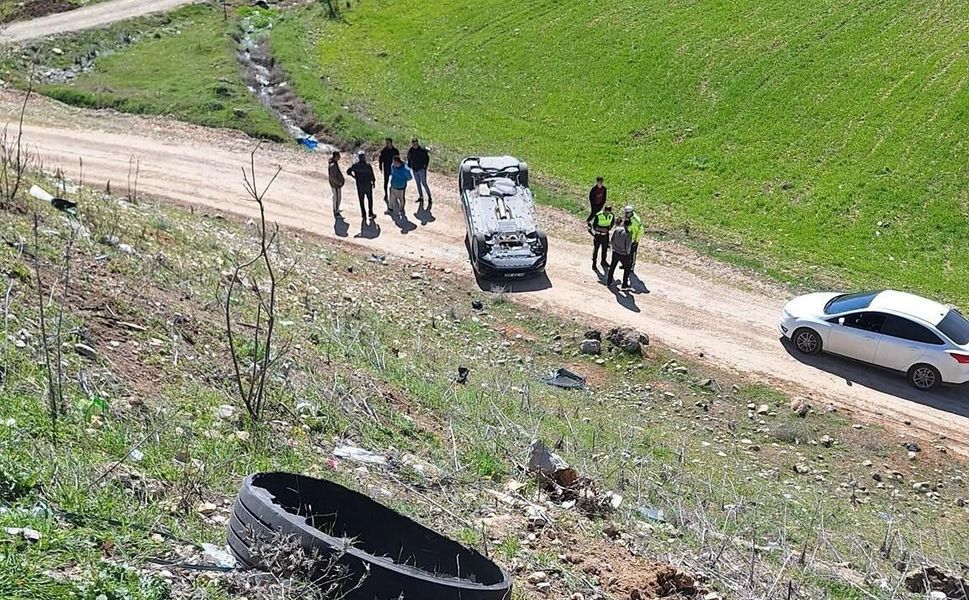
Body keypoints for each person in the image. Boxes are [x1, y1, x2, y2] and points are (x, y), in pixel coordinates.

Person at [346, 150, 377, 221]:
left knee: (361, 200)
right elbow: (372, 175)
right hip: (367, 185)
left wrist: (354, 177)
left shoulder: (355, 166)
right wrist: (373, 182)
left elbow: (348, 172)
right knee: (370, 199)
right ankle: (370, 213)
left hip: (359, 185)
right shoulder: (368, 166)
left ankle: (363, 214)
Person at [607, 217, 633, 290]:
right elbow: (627, 246)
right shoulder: (628, 234)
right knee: (627, 268)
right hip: (623, 254)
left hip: (615, 251)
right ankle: (624, 284)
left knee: (612, 267)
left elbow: (612, 240)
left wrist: (614, 248)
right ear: (629, 225)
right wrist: (628, 253)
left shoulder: (617, 229)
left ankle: (609, 282)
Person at [407, 138, 432, 205]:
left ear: (418, 143)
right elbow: (409, 158)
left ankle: (429, 197)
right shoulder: (411, 150)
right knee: (418, 184)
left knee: (424, 183)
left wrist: (425, 167)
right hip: (414, 169)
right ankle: (421, 197)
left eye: (416, 144)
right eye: (413, 144)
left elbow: (427, 159)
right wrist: (409, 165)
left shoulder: (422, 150)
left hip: (421, 169)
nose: (414, 145)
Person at [378, 138, 400, 209]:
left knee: (394, 182)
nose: (387, 144)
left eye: (388, 143)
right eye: (386, 143)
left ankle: (395, 195)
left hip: (394, 168)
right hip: (386, 167)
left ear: (391, 143)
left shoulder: (395, 151)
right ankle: (386, 194)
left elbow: (398, 159)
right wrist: (380, 166)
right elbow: (380, 159)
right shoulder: (384, 150)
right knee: (386, 182)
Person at [590, 204, 614, 271]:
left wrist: (608, 229)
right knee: (596, 250)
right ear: (604, 210)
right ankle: (594, 263)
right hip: (598, 235)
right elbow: (594, 226)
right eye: (606, 212)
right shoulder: (598, 215)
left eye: (609, 212)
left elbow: (611, 223)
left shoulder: (611, 215)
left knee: (605, 249)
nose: (607, 213)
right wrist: (601, 229)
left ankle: (603, 261)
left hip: (605, 235)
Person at [623, 205, 644, 271]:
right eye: (626, 212)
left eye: (628, 213)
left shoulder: (636, 220)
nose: (626, 214)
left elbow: (641, 231)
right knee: (626, 252)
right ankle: (625, 264)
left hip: (633, 240)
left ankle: (631, 267)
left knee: (632, 253)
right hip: (627, 238)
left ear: (631, 212)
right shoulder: (627, 218)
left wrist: (636, 240)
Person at [327, 151, 345, 218]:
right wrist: (338, 183)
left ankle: (337, 208)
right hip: (335, 185)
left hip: (336, 184)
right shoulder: (333, 165)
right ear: (335, 157)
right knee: (337, 198)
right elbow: (332, 177)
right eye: (338, 156)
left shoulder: (334, 163)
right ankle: (336, 211)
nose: (339, 157)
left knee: (337, 197)